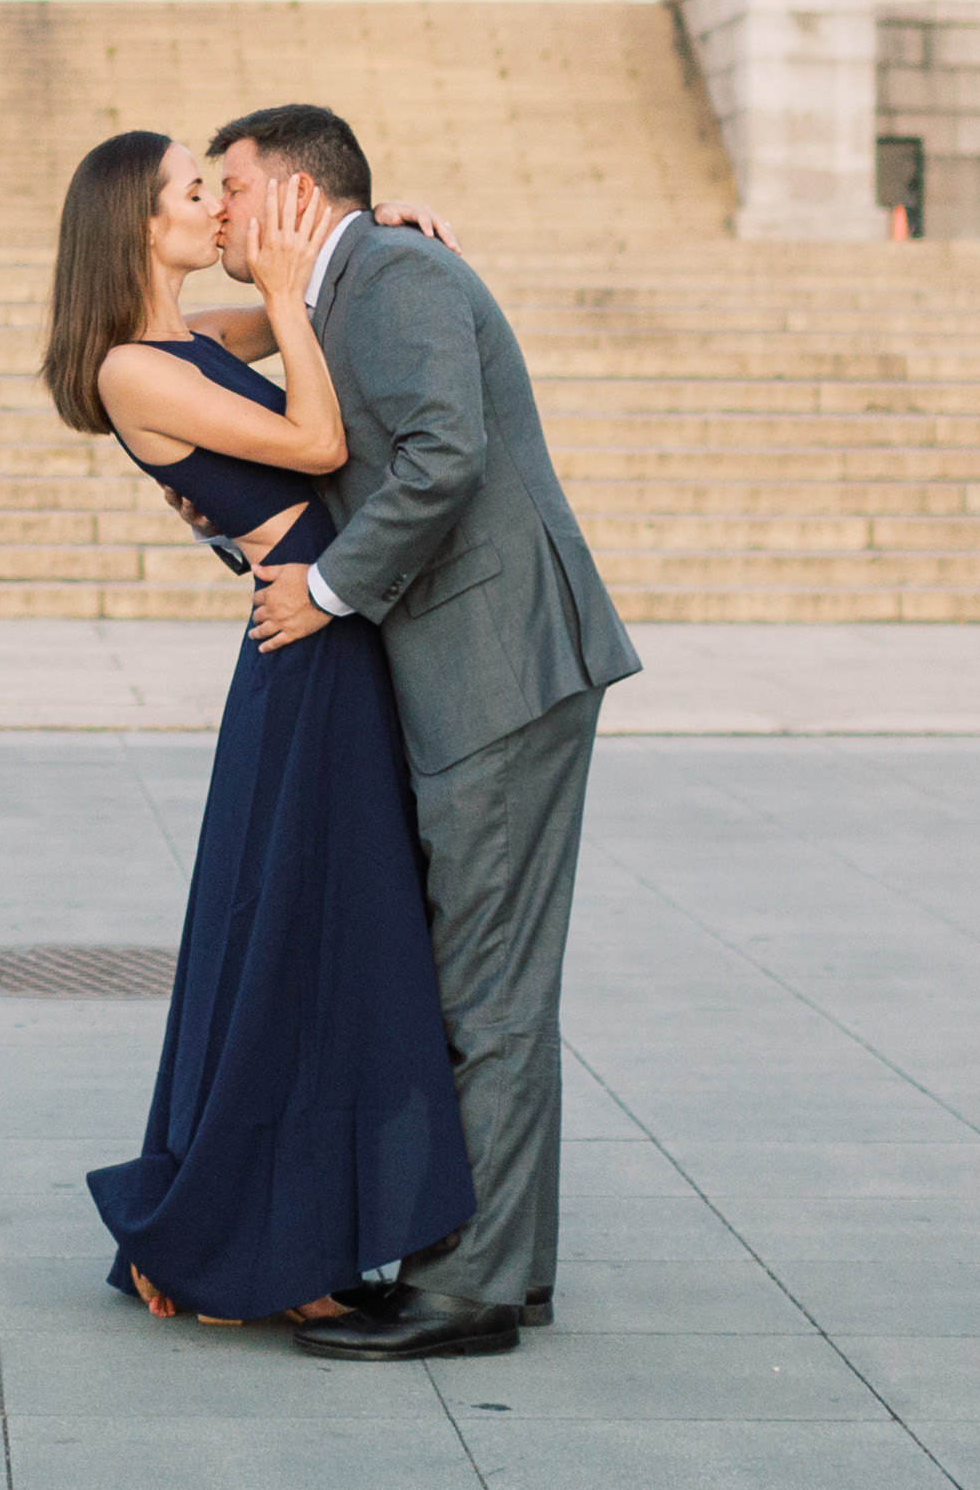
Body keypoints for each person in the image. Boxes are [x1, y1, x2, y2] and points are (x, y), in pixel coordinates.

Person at [212, 101, 638, 1363]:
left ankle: (469, 1289)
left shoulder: (391, 274)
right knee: (485, 972)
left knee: (486, 982)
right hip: (475, 658)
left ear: (292, 191)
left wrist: (327, 587)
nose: (223, 212)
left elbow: (442, 456)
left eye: (231, 186)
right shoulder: (360, 273)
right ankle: (504, 1262)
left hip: (495, 665)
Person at [43, 128, 470, 1328]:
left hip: (328, 637)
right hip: (305, 657)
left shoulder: (190, 335)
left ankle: (266, 1225)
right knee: (298, 934)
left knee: (316, 932)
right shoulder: (133, 365)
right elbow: (318, 442)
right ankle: (226, 1240)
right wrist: (282, 294)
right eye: (194, 192)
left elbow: (318, 321)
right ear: (137, 221)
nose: (217, 210)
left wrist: (375, 229)